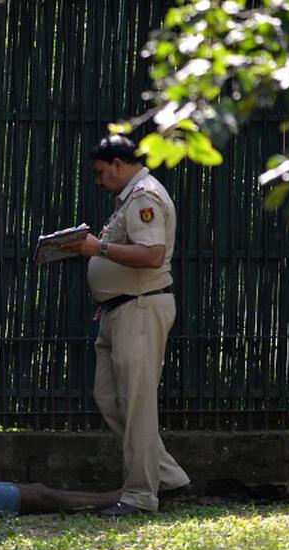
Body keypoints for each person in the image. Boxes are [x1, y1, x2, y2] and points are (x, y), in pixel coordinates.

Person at [59, 134, 191, 516]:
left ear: (119, 164)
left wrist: (96, 248)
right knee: (109, 398)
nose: (99, 181)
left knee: (136, 405)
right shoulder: (130, 198)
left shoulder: (145, 196)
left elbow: (152, 256)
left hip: (140, 310)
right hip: (118, 311)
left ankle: (139, 496)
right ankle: (168, 477)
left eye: (101, 173)